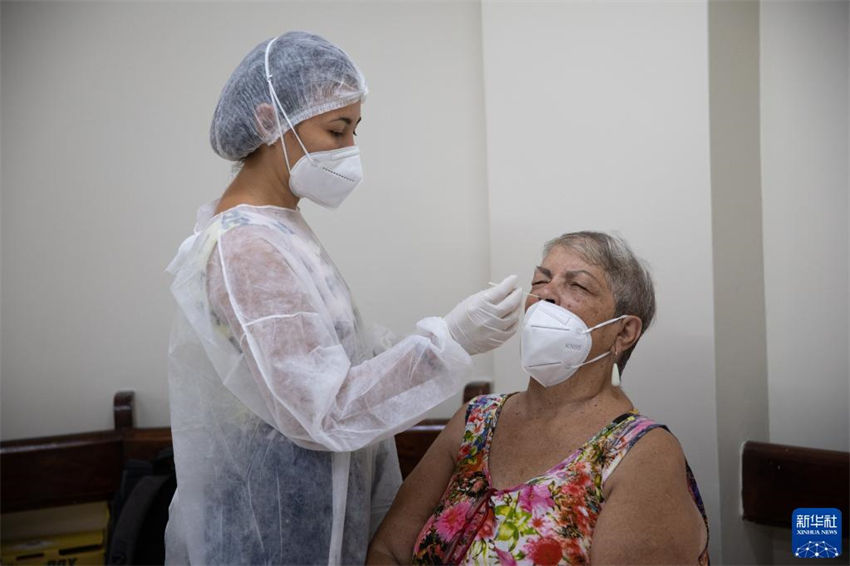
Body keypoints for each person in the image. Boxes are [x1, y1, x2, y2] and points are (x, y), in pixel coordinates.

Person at [164, 31, 522, 565]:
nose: (349, 149)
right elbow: (322, 412)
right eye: (337, 129)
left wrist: (431, 344)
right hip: (276, 529)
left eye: (354, 129)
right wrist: (449, 341)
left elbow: (333, 359)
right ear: (269, 122)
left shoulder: (280, 228)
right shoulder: (246, 246)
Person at [367, 232, 710, 565]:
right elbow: (389, 551)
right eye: (539, 282)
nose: (546, 296)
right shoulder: (476, 421)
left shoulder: (640, 453)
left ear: (623, 332)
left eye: (577, 285)